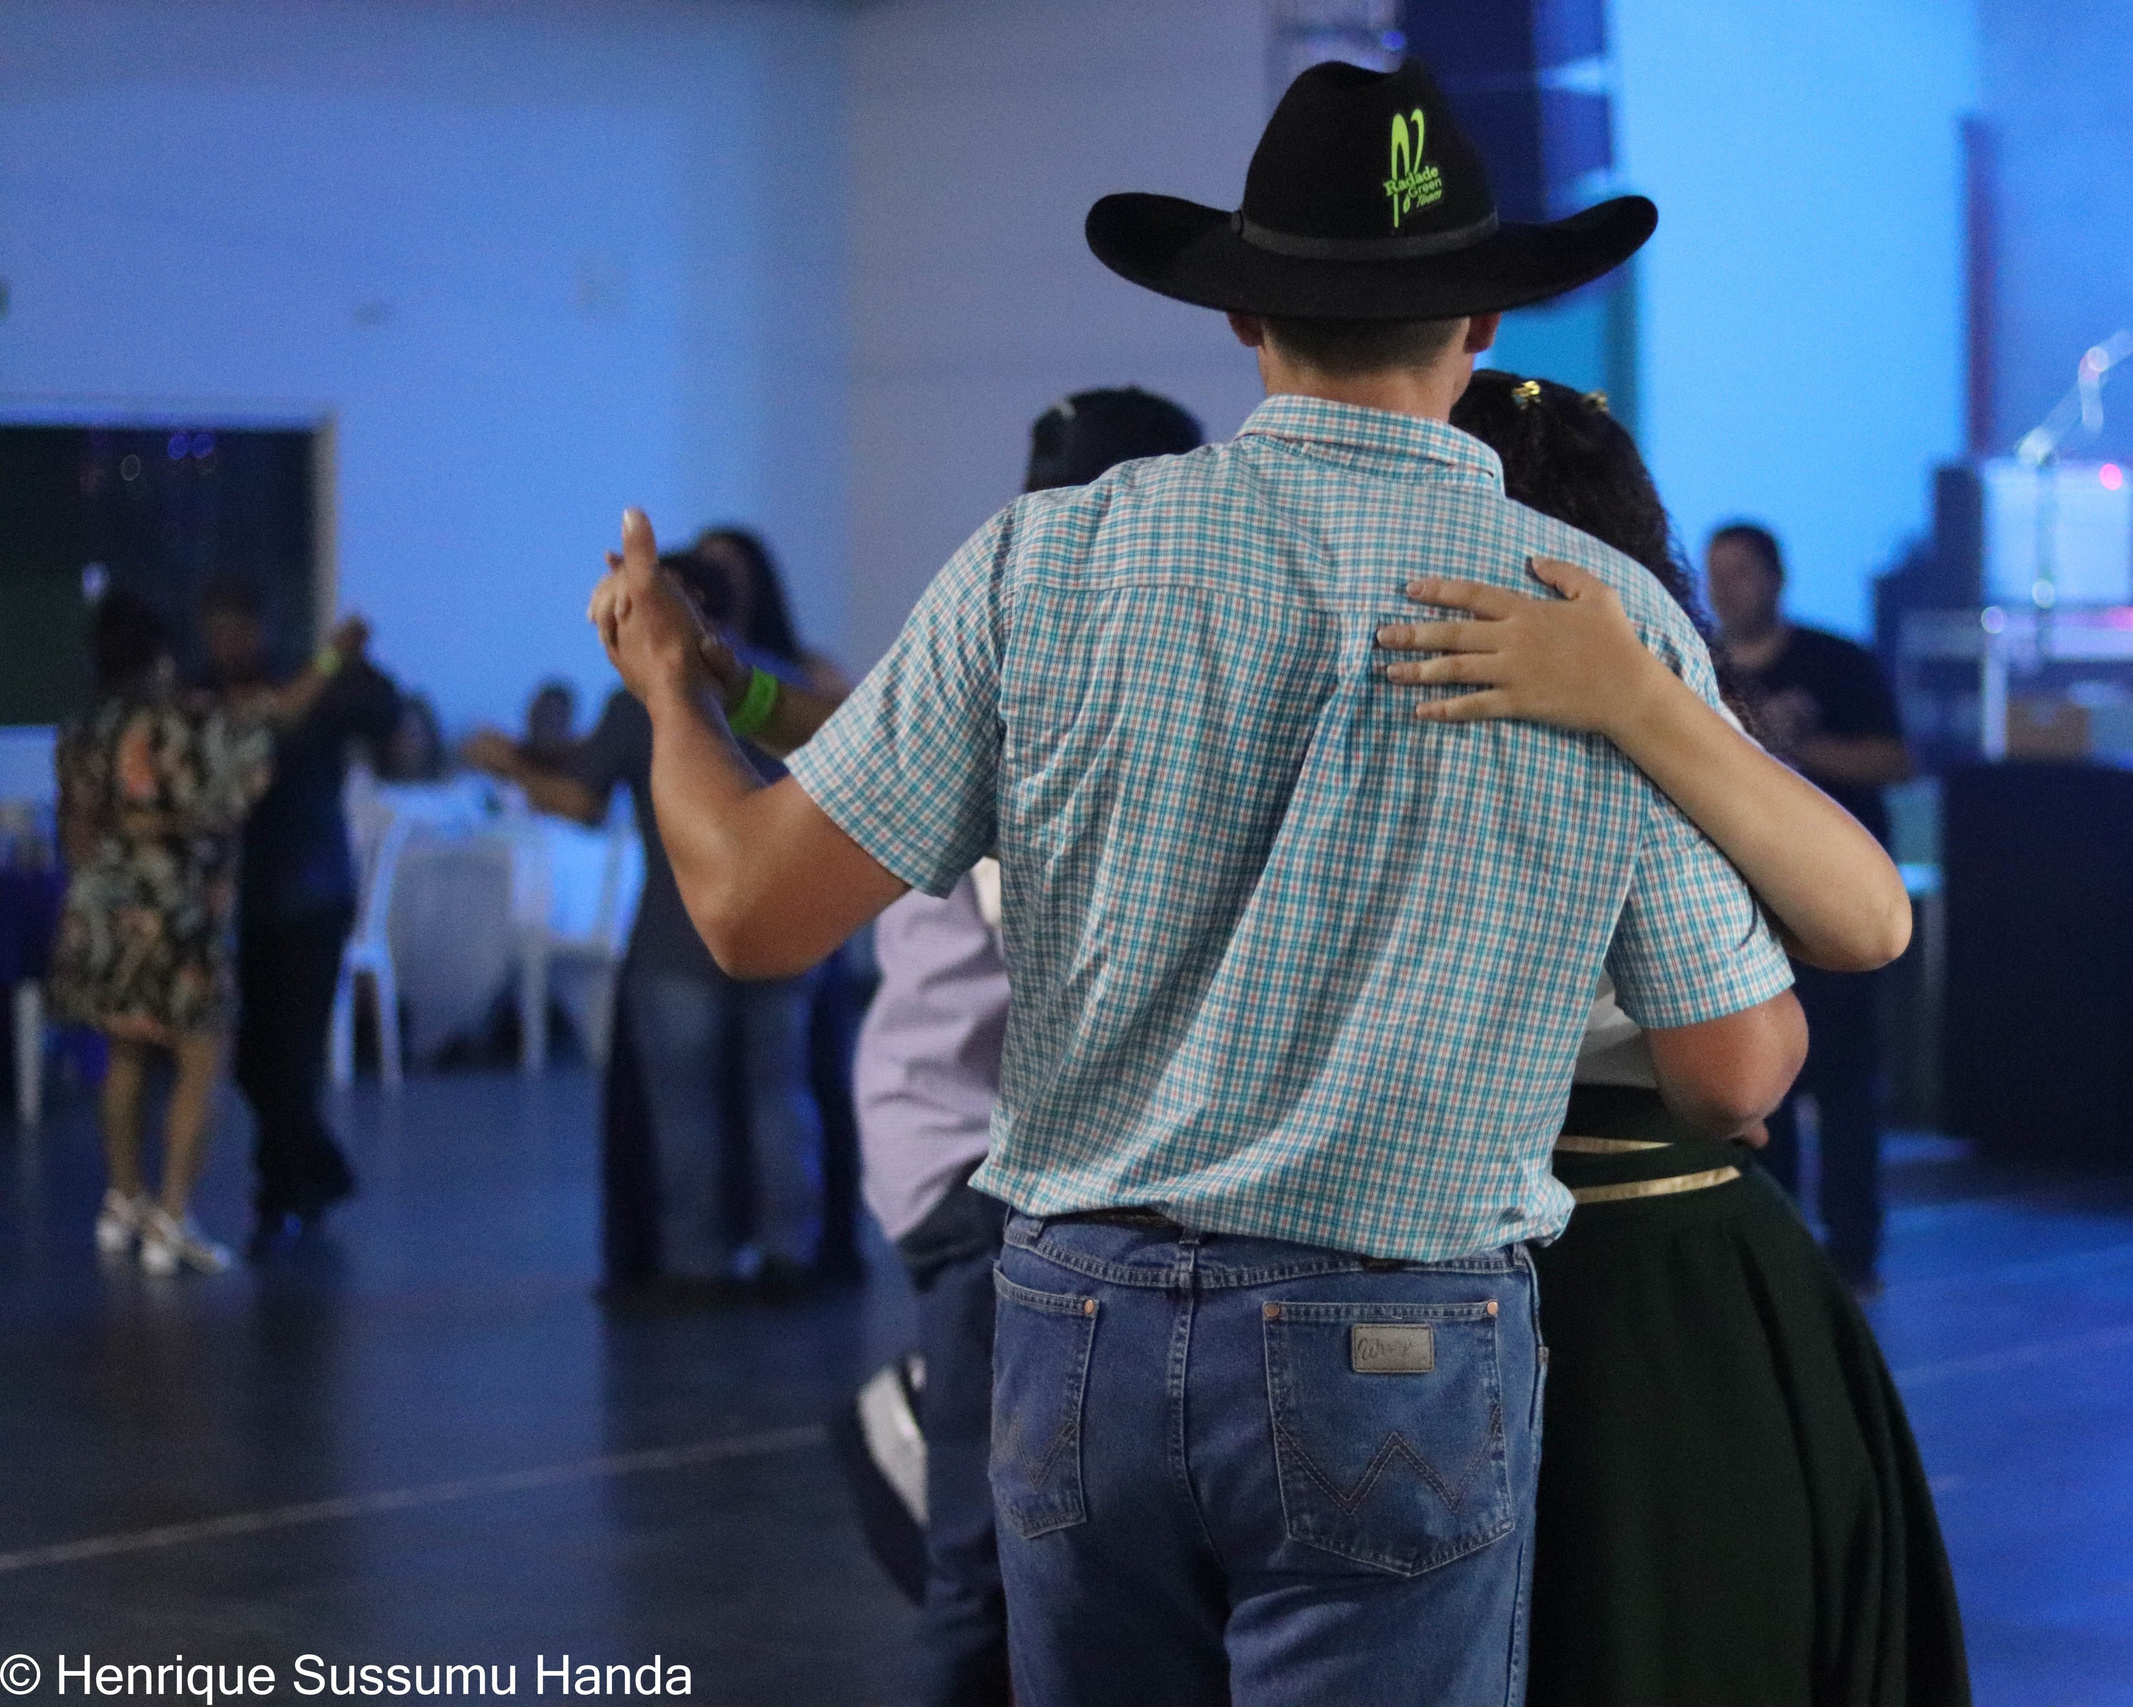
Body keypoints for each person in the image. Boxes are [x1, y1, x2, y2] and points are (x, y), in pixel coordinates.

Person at [584, 59, 1801, 1706]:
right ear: (1485, 328)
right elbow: (1739, 1058)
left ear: (1242, 319)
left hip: (1080, 1320)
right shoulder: (1600, 623)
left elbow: (749, 907)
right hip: (1399, 1338)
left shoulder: (1051, 557)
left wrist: (671, 692)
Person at [1393, 371, 1970, 1705]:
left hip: (1385, 1241)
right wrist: (1650, 701)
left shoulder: (1364, 671)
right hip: (1644, 1246)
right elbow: (1776, 1020)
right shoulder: (1630, 705)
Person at [758, 389, 1201, 1707]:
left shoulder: (994, 638)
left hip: (958, 1144)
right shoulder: (1065, 667)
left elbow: (832, 738)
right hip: (979, 1163)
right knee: (990, 1561)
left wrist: (713, 685)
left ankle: (920, 1415)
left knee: (1046, 1537)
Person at [464, 554, 821, 1304]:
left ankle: (698, 1262)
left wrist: (509, 765)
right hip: (788, 924)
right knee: (780, 1101)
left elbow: (582, 802)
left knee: (685, 1114)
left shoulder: (649, 698)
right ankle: (794, 1250)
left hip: (680, 936)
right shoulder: (786, 685)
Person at [1704, 519, 1913, 1293]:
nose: (1727, 587)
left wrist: (1790, 752)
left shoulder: (1838, 661)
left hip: (1833, 907)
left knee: (1847, 1083)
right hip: (1748, 907)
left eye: (1742, 571)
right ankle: (1778, 1244)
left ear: (1777, 577)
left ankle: (1855, 1249)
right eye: (1715, 571)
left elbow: (1895, 758)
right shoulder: (1705, 662)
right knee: (1762, 1083)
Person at [49, 592, 272, 1275]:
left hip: (101, 901)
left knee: (124, 1055)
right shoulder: (180, 719)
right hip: (172, 905)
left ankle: (123, 1199)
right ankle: (172, 1214)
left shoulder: (83, 723)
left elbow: (72, 821)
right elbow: (234, 794)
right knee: (199, 1058)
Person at [199, 574, 404, 1244]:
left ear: (261, 630)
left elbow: (382, 717)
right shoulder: (220, 693)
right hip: (253, 897)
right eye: (218, 630)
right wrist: (333, 658)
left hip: (311, 891)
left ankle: (281, 1191)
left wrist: (354, 662)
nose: (228, 643)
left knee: (286, 1052)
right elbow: (265, 720)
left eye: (238, 629)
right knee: (259, 1056)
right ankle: (316, 1171)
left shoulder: (314, 688)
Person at [691, 526, 856, 699]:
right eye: (702, 565)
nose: (711, 579)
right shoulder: (691, 658)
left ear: (755, 577)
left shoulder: (812, 670)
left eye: (723, 566)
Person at [519, 679, 580, 773]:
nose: (546, 721)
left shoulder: (580, 770)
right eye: (543, 714)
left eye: (554, 714)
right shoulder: (502, 759)